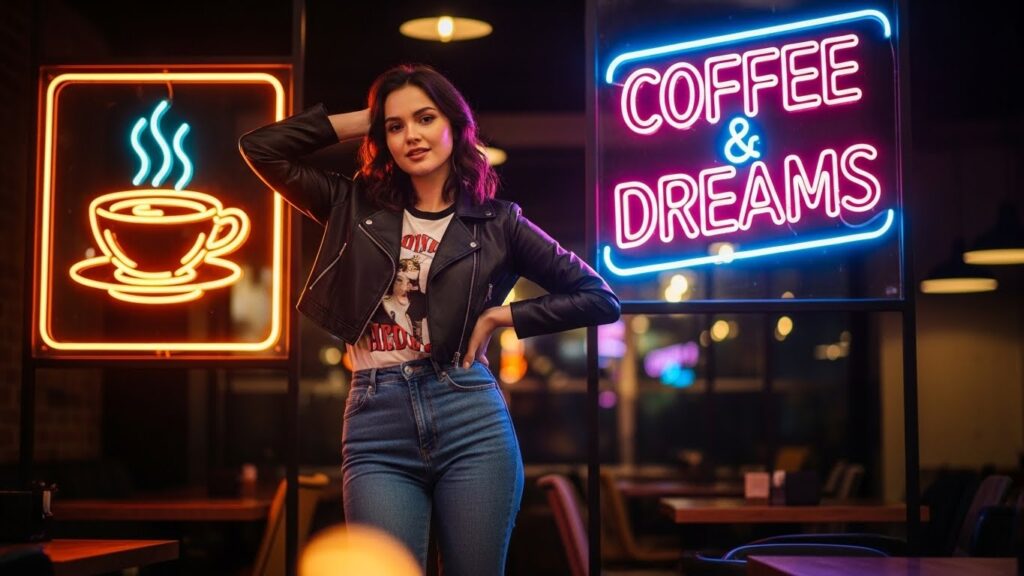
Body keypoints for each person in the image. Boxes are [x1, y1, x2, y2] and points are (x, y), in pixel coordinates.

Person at [239, 63, 620, 575]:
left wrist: (499, 317)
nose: (411, 136)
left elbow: (598, 297)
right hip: (378, 420)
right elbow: (260, 148)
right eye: (395, 127)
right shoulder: (351, 204)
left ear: (455, 126)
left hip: (469, 416)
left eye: (424, 118)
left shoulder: (498, 222)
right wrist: (366, 118)